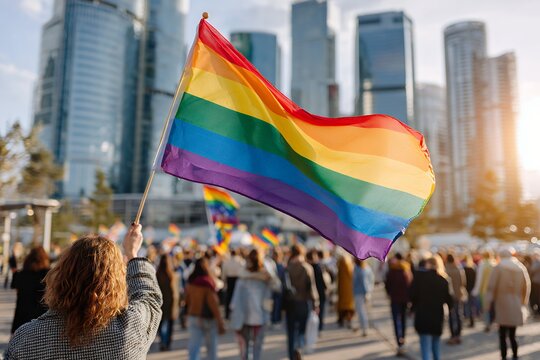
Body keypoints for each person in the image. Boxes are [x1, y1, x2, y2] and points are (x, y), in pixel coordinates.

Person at [5, 224, 163, 359]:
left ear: (61, 274)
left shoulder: (26, 340)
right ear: (117, 281)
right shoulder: (129, 330)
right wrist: (132, 254)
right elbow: (149, 298)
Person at [230, 248, 275, 360]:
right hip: (260, 316)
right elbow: (276, 287)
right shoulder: (266, 278)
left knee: (245, 347)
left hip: (243, 316)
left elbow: (234, 302)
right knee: (257, 347)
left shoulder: (242, 278)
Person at [486, 247, 531, 360]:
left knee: (502, 334)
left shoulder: (498, 268)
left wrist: (488, 303)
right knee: (512, 333)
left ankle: (504, 356)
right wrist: (523, 301)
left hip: (501, 303)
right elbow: (526, 287)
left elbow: (491, 287)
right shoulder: (520, 268)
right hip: (515, 303)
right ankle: (515, 355)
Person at [410, 256, 453, 360]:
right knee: (436, 347)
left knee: (425, 348)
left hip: (422, 316)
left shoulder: (419, 279)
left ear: (427, 264)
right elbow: (450, 301)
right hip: (437, 317)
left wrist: (412, 309)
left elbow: (412, 296)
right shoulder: (443, 280)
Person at [185, 257, 226, 360]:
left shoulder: (191, 283)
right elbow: (214, 305)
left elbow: (187, 301)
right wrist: (220, 322)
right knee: (211, 349)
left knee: (194, 348)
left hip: (194, 316)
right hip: (208, 319)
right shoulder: (208, 283)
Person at [285, 244, 319, 360]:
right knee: (301, 329)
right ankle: (298, 347)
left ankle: (292, 354)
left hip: (290, 303)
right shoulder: (307, 267)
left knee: (291, 331)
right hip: (304, 302)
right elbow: (312, 288)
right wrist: (316, 303)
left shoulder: (287, 268)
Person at [11, 246, 50, 334]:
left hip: (22, 317)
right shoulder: (48, 275)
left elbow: (17, 291)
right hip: (42, 318)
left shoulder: (20, 275)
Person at [385, 253, 413, 356]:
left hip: (395, 299)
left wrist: (389, 293)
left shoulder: (391, 271)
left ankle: (399, 341)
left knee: (396, 320)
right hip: (405, 300)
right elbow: (410, 285)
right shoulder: (407, 270)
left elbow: (387, 286)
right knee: (403, 319)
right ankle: (403, 339)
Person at [156, 254, 179, 351]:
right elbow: (175, 293)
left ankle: (162, 341)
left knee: (160, 324)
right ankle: (167, 342)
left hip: (160, 303)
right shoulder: (172, 275)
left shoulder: (156, 275)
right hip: (171, 304)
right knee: (169, 324)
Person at [472, 249, 497, 332]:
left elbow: (479, 279)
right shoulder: (494, 264)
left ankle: (488, 324)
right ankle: (493, 322)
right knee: (493, 307)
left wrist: (476, 290)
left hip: (485, 290)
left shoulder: (482, 265)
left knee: (486, 308)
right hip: (494, 290)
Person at [446, 253, 467, 344]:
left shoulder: (445, 269)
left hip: (450, 295)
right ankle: (458, 333)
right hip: (459, 294)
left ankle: (452, 334)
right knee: (459, 313)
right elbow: (463, 283)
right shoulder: (459, 269)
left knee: (451, 315)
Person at [306, 249, 327, 331]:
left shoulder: (308, 267)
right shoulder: (318, 266)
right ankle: (319, 328)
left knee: (312, 312)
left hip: (311, 293)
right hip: (320, 293)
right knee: (320, 312)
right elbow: (322, 281)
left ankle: (313, 328)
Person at [352, 259, 374, 337]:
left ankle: (364, 328)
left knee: (361, 311)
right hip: (364, 292)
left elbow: (363, 281)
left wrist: (366, 292)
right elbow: (371, 279)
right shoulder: (367, 267)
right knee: (363, 311)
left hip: (360, 292)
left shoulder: (358, 269)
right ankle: (363, 326)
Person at [222, 249, 246, 320]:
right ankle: (237, 313)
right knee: (238, 296)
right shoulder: (241, 261)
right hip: (237, 279)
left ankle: (227, 314)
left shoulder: (227, 262)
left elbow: (224, 272)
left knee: (229, 297)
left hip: (230, 280)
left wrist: (224, 281)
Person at [336, 252, 355, 328]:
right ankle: (347, 319)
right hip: (348, 288)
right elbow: (351, 274)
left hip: (343, 287)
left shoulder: (342, 260)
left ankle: (342, 319)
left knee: (343, 305)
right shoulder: (348, 261)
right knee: (348, 306)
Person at [462, 253, 477, 327]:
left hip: (466, 289)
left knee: (467, 306)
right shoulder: (473, 268)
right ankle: (472, 320)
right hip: (472, 289)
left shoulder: (463, 269)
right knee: (472, 306)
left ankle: (468, 319)